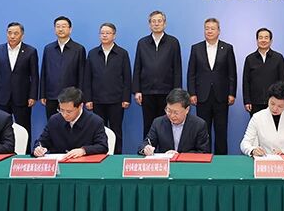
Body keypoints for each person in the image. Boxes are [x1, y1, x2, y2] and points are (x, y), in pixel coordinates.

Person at [0, 21, 38, 153]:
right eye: (10, 33)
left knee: (24, 128)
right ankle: (2, 154)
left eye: (16, 33)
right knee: (1, 128)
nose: (12, 36)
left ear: (22, 35)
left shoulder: (30, 51)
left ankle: (25, 155)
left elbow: (34, 76)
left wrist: (33, 96)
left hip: (22, 97)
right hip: (1, 97)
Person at [187, 18, 237, 155]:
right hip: (202, 96)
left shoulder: (227, 48)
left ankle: (222, 160)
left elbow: (232, 73)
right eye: (207, 28)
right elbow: (191, 73)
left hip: (221, 96)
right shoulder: (196, 48)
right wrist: (192, 93)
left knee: (221, 130)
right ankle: (204, 157)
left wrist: (232, 93)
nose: (209, 31)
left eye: (212, 28)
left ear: (219, 31)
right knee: (203, 130)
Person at [132, 10, 182, 139]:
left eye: (159, 21)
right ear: (149, 24)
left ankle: (166, 150)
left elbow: (177, 69)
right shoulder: (142, 43)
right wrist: (137, 90)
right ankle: (147, 148)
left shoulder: (173, 42)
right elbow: (137, 67)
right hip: (147, 91)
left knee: (167, 125)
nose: (156, 24)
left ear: (164, 24)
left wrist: (176, 92)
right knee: (148, 125)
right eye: (153, 21)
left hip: (167, 92)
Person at [83, 22, 132, 154]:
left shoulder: (122, 53)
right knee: (99, 131)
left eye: (108, 33)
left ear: (114, 35)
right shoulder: (92, 53)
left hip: (116, 99)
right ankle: (99, 154)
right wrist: (88, 99)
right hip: (97, 100)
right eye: (102, 33)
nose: (104, 35)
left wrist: (126, 98)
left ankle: (117, 155)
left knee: (116, 130)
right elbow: (87, 78)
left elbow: (127, 77)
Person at [33, 87, 108, 159]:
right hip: (60, 164)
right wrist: (38, 149)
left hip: (85, 164)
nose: (64, 115)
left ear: (80, 106)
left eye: (69, 111)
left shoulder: (95, 121)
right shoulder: (54, 120)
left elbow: (102, 146)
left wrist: (83, 150)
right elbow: (42, 142)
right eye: (61, 110)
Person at [40, 16, 86, 119]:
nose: (60, 29)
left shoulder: (79, 49)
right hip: (51, 96)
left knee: (71, 124)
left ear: (70, 29)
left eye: (64, 26)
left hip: (71, 96)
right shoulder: (48, 49)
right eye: (58, 26)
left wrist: (80, 96)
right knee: (53, 123)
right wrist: (42, 94)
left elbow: (82, 74)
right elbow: (44, 72)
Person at [240, 82, 284, 156]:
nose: (275, 108)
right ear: (268, 99)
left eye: (280, 106)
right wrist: (252, 150)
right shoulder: (257, 117)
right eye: (272, 103)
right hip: (264, 160)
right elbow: (245, 143)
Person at [139, 88, 210, 155]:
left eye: (176, 112)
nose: (172, 116)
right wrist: (146, 148)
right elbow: (145, 144)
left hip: (187, 163)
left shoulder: (199, 125)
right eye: (169, 111)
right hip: (166, 163)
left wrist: (180, 156)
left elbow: (203, 152)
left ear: (187, 110)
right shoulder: (158, 123)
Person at [242, 28, 284, 116]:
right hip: (255, 102)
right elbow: (246, 81)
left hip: (275, 102)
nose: (263, 40)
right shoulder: (250, 59)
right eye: (260, 37)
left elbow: (283, 81)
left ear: (271, 41)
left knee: (274, 124)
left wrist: (281, 99)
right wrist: (247, 101)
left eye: (266, 37)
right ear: (257, 40)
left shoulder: (278, 58)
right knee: (257, 125)